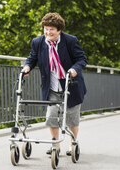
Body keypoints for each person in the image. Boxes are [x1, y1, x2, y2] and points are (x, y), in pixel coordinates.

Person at [21, 12, 87, 156]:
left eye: (51, 29)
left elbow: (81, 59)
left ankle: (73, 143)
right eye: (45, 28)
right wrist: (27, 67)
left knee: (71, 117)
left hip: (71, 85)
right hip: (51, 86)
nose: (48, 32)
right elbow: (32, 58)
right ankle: (55, 145)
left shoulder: (70, 41)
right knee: (51, 116)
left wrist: (74, 69)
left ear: (59, 30)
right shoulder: (38, 42)